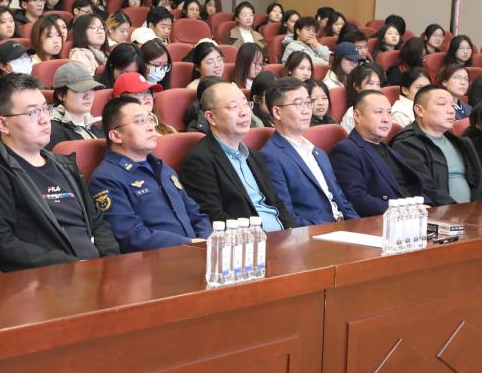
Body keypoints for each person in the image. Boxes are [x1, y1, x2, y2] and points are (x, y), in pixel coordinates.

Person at [0, 74, 120, 271]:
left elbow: (97, 222)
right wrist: (70, 265)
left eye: (45, 109)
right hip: (47, 277)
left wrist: (111, 262)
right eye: (32, 113)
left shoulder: (64, 165)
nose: (44, 120)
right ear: (3, 124)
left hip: (97, 272)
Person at [87, 97, 211, 252]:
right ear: (116, 136)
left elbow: (196, 215)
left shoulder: (161, 167)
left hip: (196, 251)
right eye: (140, 121)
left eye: (150, 120)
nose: (151, 127)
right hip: (155, 260)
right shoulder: (106, 178)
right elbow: (131, 236)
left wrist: (206, 240)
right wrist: (190, 243)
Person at [179, 82, 296, 230]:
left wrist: (292, 232)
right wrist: (259, 236)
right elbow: (212, 215)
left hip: (282, 236)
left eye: (246, 104)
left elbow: (277, 203)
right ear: (211, 117)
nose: (244, 113)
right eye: (233, 107)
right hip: (250, 239)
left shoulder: (253, 155)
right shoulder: (199, 160)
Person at [260, 77, 359, 225]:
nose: (307, 110)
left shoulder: (318, 152)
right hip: (315, 233)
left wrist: (358, 225)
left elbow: (342, 202)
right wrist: (328, 230)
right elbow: (286, 216)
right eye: (298, 104)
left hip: (343, 227)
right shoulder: (271, 157)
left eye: (308, 103)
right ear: (277, 112)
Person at [330, 90, 428, 216]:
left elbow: (413, 185)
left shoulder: (389, 149)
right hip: (385, 219)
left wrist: (427, 205)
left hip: (415, 215)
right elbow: (357, 199)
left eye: (389, 113)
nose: (386, 119)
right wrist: (404, 210)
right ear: (357, 116)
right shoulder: (346, 150)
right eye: (379, 112)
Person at [391, 84, 482, 205]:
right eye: (442, 104)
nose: (451, 111)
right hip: (442, 213)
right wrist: (461, 210)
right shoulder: (406, 144)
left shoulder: (460, 142)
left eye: (452, 105)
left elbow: (478, 181)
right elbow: (425, 188)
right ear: (419, 110)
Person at [47, 61, 105, 150]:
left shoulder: (97, 123)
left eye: (91, 89)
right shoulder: (52, 130)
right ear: (61, 95)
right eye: (81, 90)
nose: (87, 96)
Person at [341, 63, 383, 132]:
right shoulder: (352, 113)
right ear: (356, 86)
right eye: (371, 84)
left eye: (378, 84)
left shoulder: (384, 108)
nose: (376, 89)